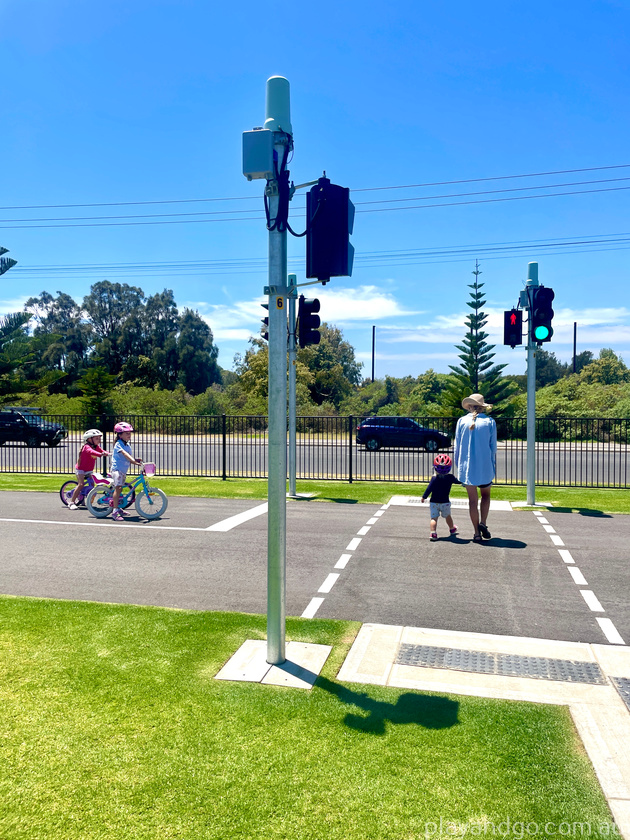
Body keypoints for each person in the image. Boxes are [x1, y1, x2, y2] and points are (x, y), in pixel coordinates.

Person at [453, 392, 497, 544]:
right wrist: (492, 465)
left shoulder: (461, 421)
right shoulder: (490, 422)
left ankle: (476, 533)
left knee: (472, 501)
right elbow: (493, 447)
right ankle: (483, 523)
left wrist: (459, 465)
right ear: (482, 407)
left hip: (468, 468)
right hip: (484, 466)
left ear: (469, 406)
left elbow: (457, 446)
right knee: (486, 496)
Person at [421, 454, 461, 540]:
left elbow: (429, 489)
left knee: (434, 518)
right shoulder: (450, 477)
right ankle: (452, 529)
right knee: (447, 516)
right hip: (445, 502)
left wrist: (424, 497)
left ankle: (433, 534)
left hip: (434, 502)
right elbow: (458, 481)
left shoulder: (434, 478)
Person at [68, 429, 110, 510]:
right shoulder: (86, 447)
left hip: (89, 470)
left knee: (92, 485)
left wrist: (109, 453)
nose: (99, 440)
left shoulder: (96, 447)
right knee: (81, 484)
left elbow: (102, 451)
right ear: (89, 439)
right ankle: (71, 502)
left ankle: (87, 501)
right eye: (97, 438)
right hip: (81, 469)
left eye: (99, 438)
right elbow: (91, 452)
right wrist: (100, 454)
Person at [110, 421, 142, 522]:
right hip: (117, 470)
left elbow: (128, 456)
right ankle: (115, 511)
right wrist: (132, 461)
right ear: (120, 435)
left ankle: (118, 507)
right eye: (126, 433)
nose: (129, 435)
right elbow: (125, 454)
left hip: (122, 470)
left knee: (121, 488)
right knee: (118, 488)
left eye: (130, 433)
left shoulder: (127, 444)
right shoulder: (118, 444)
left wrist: (135, 460)